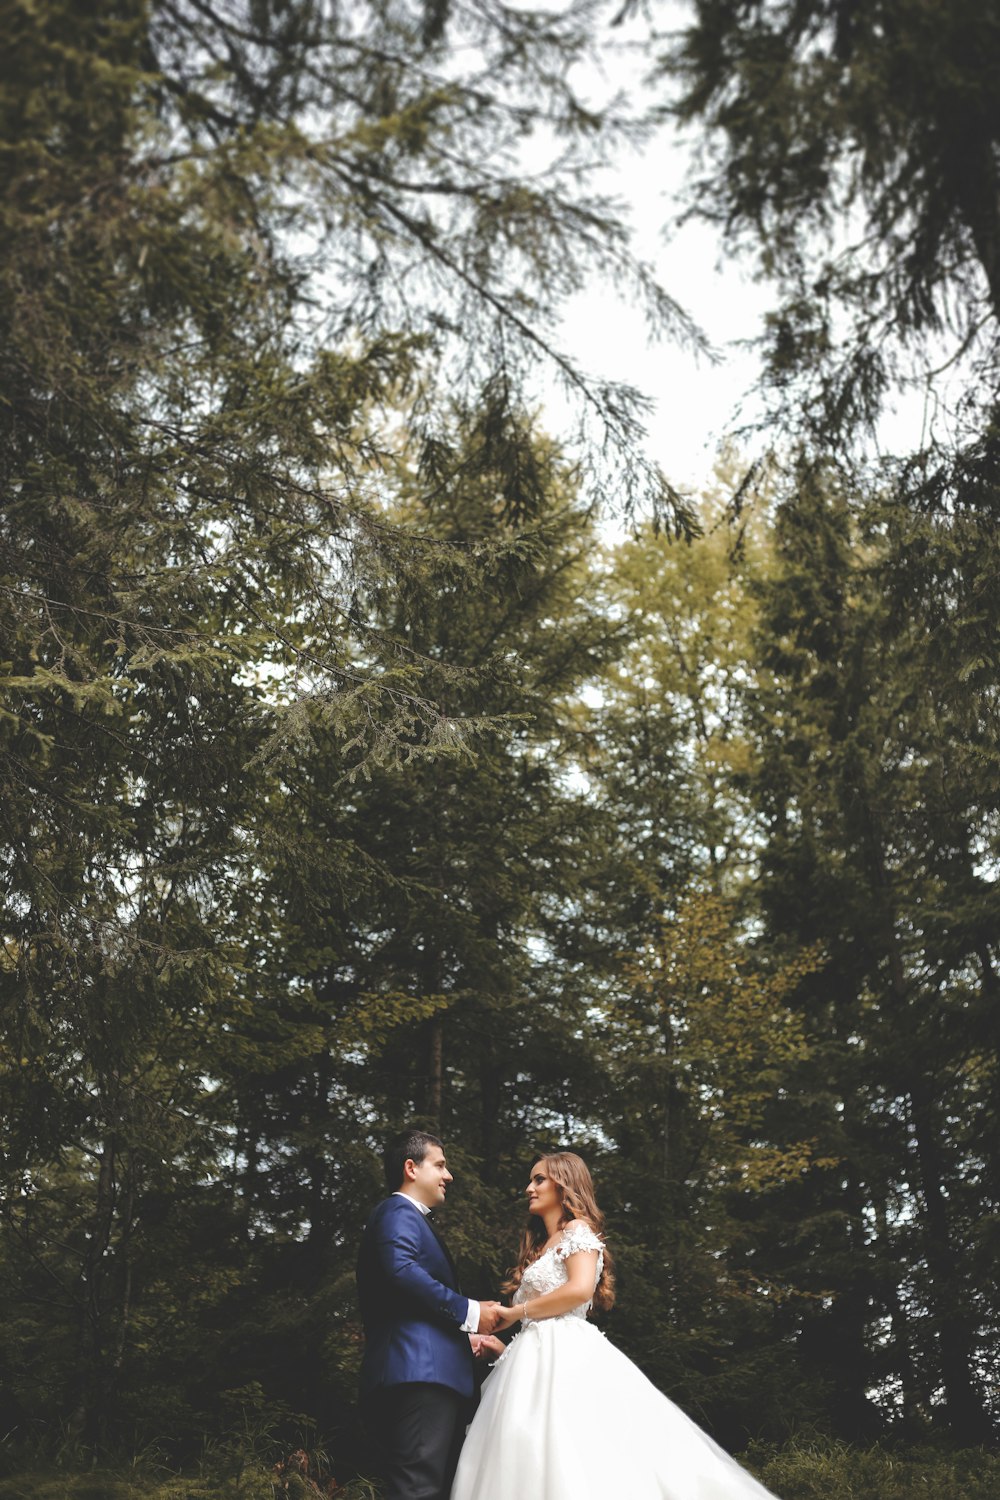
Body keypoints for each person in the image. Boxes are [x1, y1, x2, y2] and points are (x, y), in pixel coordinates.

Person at [450, 1151, 783, 1500]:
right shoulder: (542, 1246)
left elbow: (578, 1290)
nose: (528, 1188)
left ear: (564, 1186)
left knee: (573, 1447)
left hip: (565, 1355)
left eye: (539, 1180)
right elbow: (538, 1318)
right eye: (530, 1180)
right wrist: (504, 1348)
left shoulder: (577, 1230)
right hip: (532, 1360)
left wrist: (515, 1313)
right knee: (527, 1446)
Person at [356, 1128, 504, 1500]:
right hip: (418, 1373)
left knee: (426, 1487)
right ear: (411, 1167)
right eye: (439, 1164)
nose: (448, 1175)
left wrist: (463, 1336)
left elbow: (403, 1298)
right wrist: (469, 1311)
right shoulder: (397, 1210)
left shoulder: (408, 1217)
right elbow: (401, 1271)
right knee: (417, 1489)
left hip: (422, 1371)